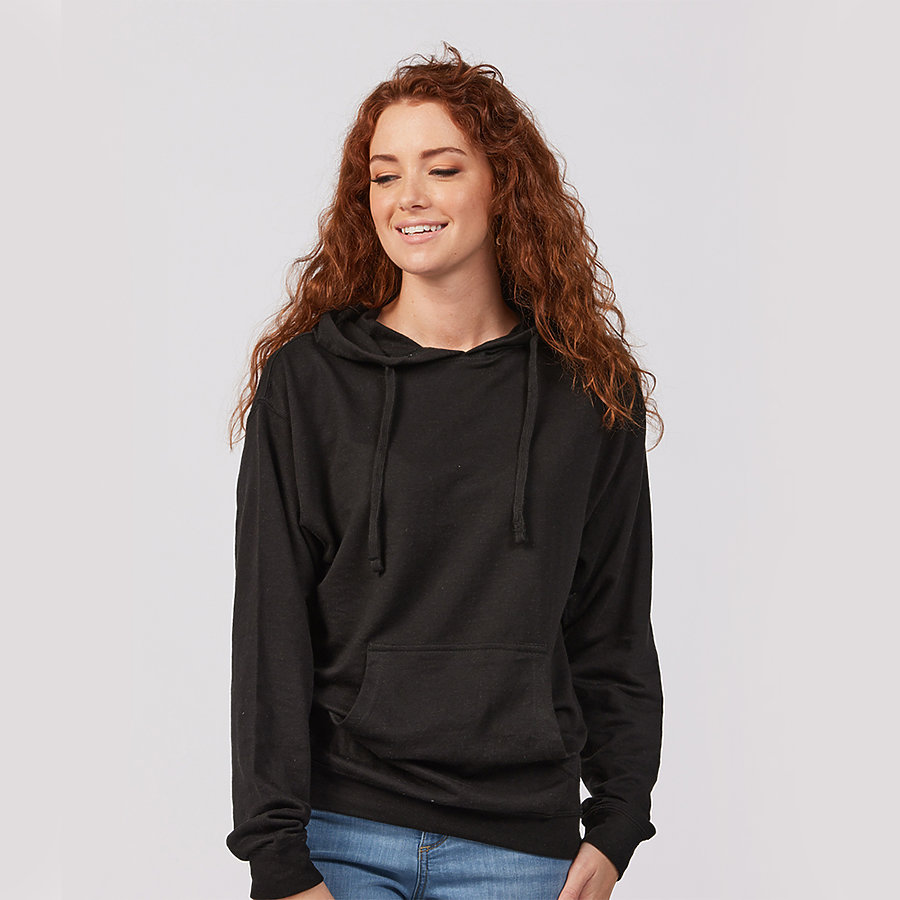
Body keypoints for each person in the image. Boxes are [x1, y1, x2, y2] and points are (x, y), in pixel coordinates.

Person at [225, 43, 664, 900]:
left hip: (519, 846)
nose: (409, 198)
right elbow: (270, 626)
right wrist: (276, 856)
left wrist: (617, 823)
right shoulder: (310, 382)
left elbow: (612, 620)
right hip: (339, 833)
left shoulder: (589, 390)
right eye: (384, 175)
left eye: (443, 168)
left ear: (504, 185)